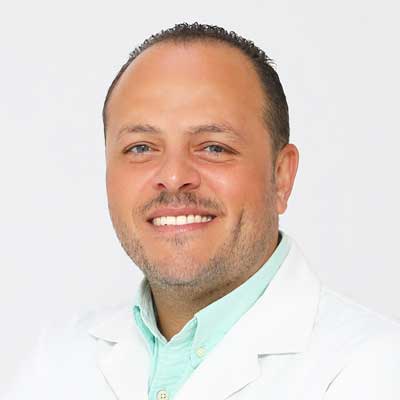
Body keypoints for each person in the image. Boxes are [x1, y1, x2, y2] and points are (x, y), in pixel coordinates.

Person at [6, 22, 400, 400]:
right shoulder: (54, 364)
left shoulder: (374, 369)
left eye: (214, 147)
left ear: (281, 176)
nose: (174, 177)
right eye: (140, 148)